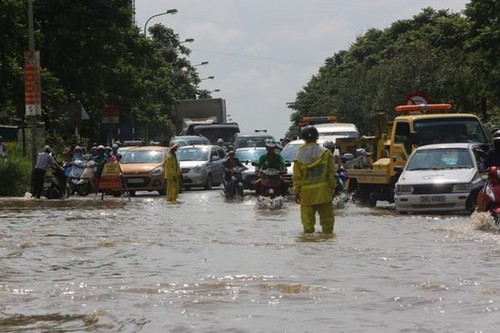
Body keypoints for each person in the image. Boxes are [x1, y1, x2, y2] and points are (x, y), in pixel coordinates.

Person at [293, 125, 336, 234]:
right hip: (324, 193)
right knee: (327, 224)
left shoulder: (299, 156)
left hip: (307, 195)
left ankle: (309, 246)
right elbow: (331, 174)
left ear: (303, 138)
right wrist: (332, 188)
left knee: (308, 226)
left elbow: (297, 177)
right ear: (317, 137)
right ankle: (327, 244)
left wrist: (297, 192)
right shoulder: (326, 153)